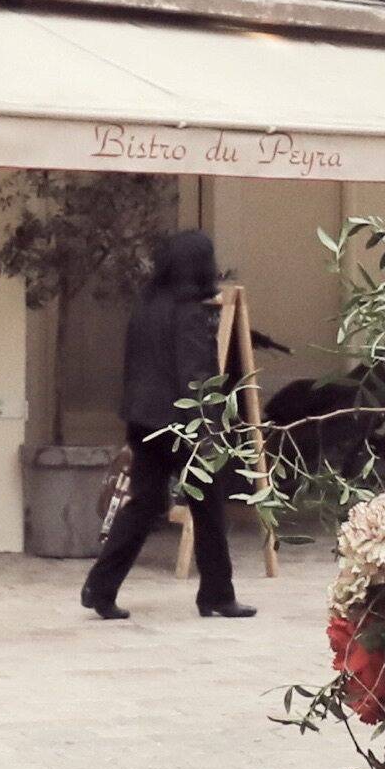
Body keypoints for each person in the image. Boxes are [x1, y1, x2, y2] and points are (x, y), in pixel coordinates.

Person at [79, 224, 252, 622]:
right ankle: (217, 594)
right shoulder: (190, 313)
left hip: (142, 419)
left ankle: (101, 586)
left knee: (145, 503)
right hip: (180, 422)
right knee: (207, 505)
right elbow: (195, 376)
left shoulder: (146, 306)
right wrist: (209, 428)